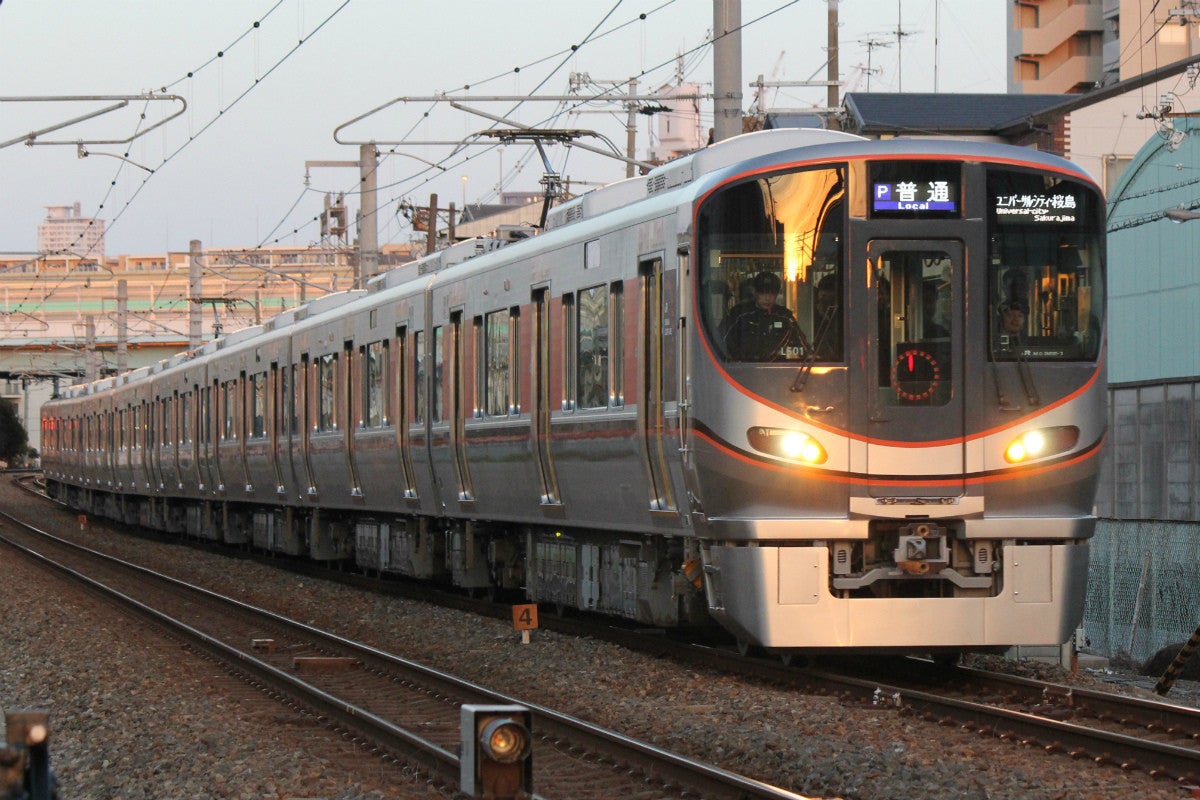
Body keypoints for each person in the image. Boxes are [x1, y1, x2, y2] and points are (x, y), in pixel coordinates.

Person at [720, 271, 805, 361]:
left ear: (776, 295)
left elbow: (803, 348)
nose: (767, 298)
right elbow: (720, 342)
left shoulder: (785, 317)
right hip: (744, 370)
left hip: (778, 370)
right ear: (755, 292)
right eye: (763, 293)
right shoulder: (739, 314)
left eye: (772, 294)